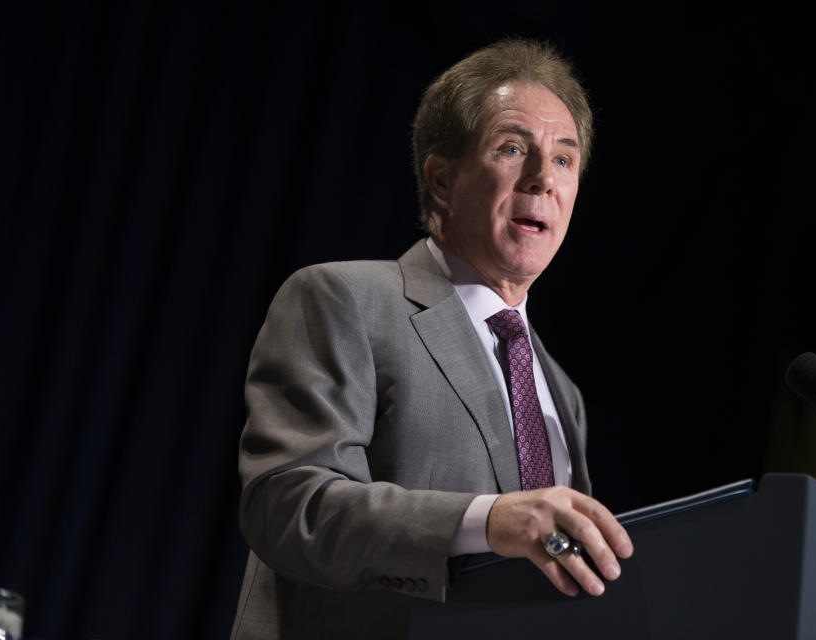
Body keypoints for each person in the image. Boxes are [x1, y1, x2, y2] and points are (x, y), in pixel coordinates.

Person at [229, 38, 632, 639]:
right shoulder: (344, 300)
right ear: (442, 180)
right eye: (512, 148)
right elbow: (289, 507)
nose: (543, 178)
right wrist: (484, 521)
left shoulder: (561, 393)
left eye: (565, 160)